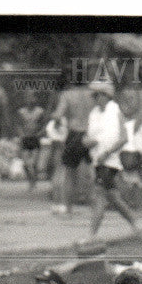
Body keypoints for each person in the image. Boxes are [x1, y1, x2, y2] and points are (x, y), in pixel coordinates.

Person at [84, 79, 142, 240]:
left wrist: (108, 152)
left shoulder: (115, 111)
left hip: (110, 161)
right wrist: (88, 142)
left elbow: (123, 138)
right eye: (94, 96)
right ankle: (136, 225)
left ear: (106, 96)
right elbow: (89, 136)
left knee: (99, 197)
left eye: (98, 95)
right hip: (98, 160)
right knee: (114, 198)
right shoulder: (94, 114)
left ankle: (91, 235)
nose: (96, 99)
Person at [50, 76, 94, 216]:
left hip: (74, 134)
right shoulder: (92, 94)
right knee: (92, 171)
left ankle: (68, 208)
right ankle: (95, 204)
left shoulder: (67, 95)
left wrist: (55, 119)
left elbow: (58, 115)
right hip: (90, 133)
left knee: (70, 173)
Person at [17, 90, 46, 188]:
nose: (31, 100)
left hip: (35, 138)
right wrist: (21, 134)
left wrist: (40, 133)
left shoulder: (40, 111)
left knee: (34, 162)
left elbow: (44, 125)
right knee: (25, 163)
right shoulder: (21, 112)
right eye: (28, 97)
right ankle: (30, 179)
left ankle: (33, 182)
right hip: (25, 138)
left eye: (32, 97)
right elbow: (18, 125)